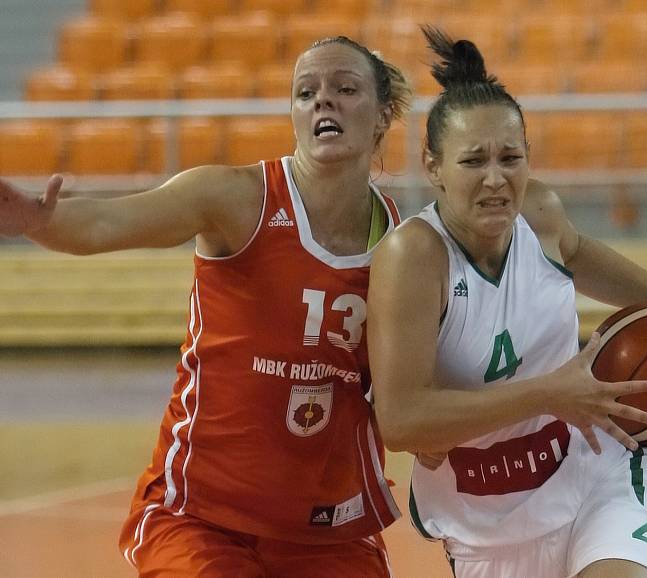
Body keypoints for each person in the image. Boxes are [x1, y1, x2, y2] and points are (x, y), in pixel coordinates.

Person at [0, 36, 412, 578]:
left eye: (344, 89)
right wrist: (36, 222)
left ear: (382, 116)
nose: (322, 102)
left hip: (327, 529)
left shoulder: (404, 243)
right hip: (201, 515)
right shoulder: (235, 198)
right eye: (305, 92)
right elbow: (105, 222)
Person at [367, 27, 647, 578]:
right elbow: (400, 422)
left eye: (510, 157)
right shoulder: (414, 258)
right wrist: (549, 393)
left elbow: (579, 252)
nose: (496, 178)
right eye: (473, 161)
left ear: (529, 158)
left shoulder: (539, 214)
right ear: (433, 167)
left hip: (599, 473)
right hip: (485, 519)